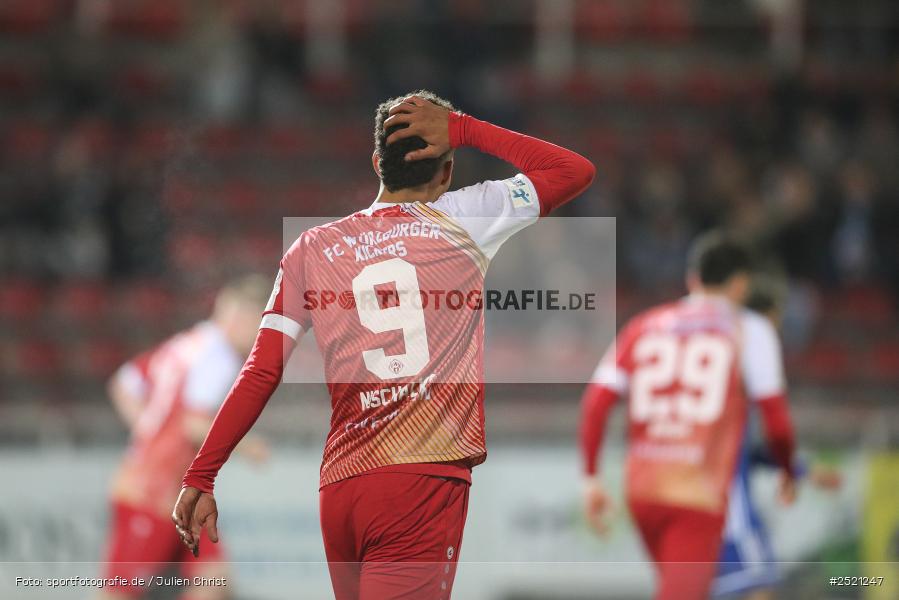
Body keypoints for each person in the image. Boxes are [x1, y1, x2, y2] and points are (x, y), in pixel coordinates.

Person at [171, 91, 595, 599]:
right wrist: (465, 127)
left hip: (343, 487)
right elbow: (573, 171)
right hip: (419, 481)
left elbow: (260, 372)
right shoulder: (467, 217)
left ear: (377, 164)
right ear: (447, 172)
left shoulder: (312, 247)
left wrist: (202, 473)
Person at [579, 232, 797, 600]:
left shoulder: (643, 325)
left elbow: (596, 403)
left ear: (692, 279)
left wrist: (591, 477)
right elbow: (775, 419)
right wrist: (788, 468)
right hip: (696, 493)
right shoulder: (749, 329)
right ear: (741, 283)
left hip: (644, 492)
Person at [99, 276, 271, 600]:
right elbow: (193, 423)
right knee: (120, 592)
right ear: (242, 316)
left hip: (176, 492)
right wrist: (249, 446)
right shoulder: (218, 356)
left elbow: (124, 383)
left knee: (213, 580)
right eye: (260, 327)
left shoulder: (189, 343)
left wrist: (149, 431)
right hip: (153, 492)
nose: (258, 339)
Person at [712, 277, 842, 600]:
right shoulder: (736, 383)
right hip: (730, 519)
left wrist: (803, 470)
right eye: (771, 327)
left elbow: (750, 450)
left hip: (699, 517)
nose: (775, 337)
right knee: (761, 589)